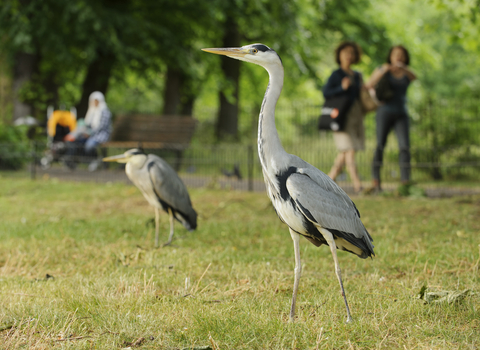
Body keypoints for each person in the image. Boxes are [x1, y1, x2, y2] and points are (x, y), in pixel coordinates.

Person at [366, 45, 416, 192]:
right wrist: (385, 69)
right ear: (390, 56)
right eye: (395, 54)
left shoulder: (406, 73)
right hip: (384, 112)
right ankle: (376, 181)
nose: (398, 57)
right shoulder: (383, 70)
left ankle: (405, 182)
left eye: (401, 55)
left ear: (405, 57)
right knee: (380, 145)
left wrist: (403, 68)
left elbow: (414, 77)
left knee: (404, 147)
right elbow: (369, 84)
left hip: (402, 113)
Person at [322, 41, 366, 193]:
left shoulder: (358, 76)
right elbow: (326, 92)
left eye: (351, 53)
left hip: (355, 117)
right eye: (345, 52)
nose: (348, 55)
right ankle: (357, 185)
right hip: (341, 118)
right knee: (350, 150)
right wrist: (342, 87)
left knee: (344, 153)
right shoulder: (336, 75)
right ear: (339, 55)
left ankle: (328, 181)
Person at [64, 91, 112, 171]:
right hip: (90, 134)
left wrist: (89, 133)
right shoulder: (92, 111)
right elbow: (87, 124)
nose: (95, 103)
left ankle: (96, 160)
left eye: (97, 101)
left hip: (100, 135)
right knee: (77, 141)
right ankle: (73, 161)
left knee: (89, 145)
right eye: (94, 101)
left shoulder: (105, 112)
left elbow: (101, 127)